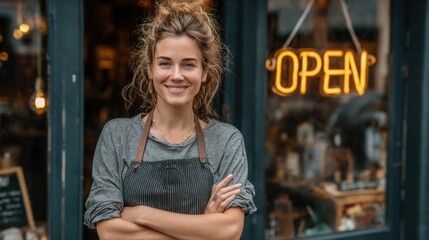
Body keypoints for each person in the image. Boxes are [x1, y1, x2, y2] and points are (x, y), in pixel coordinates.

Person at [84, 0, 256, 239]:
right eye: (165, 63)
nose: (176, 75)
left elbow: (230, 230)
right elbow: (109, 232)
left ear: (204, 72)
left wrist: (141, 214)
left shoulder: (226, 141)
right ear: (149, 69)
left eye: (188, 65)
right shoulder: (117, 136)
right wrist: (203, 229)